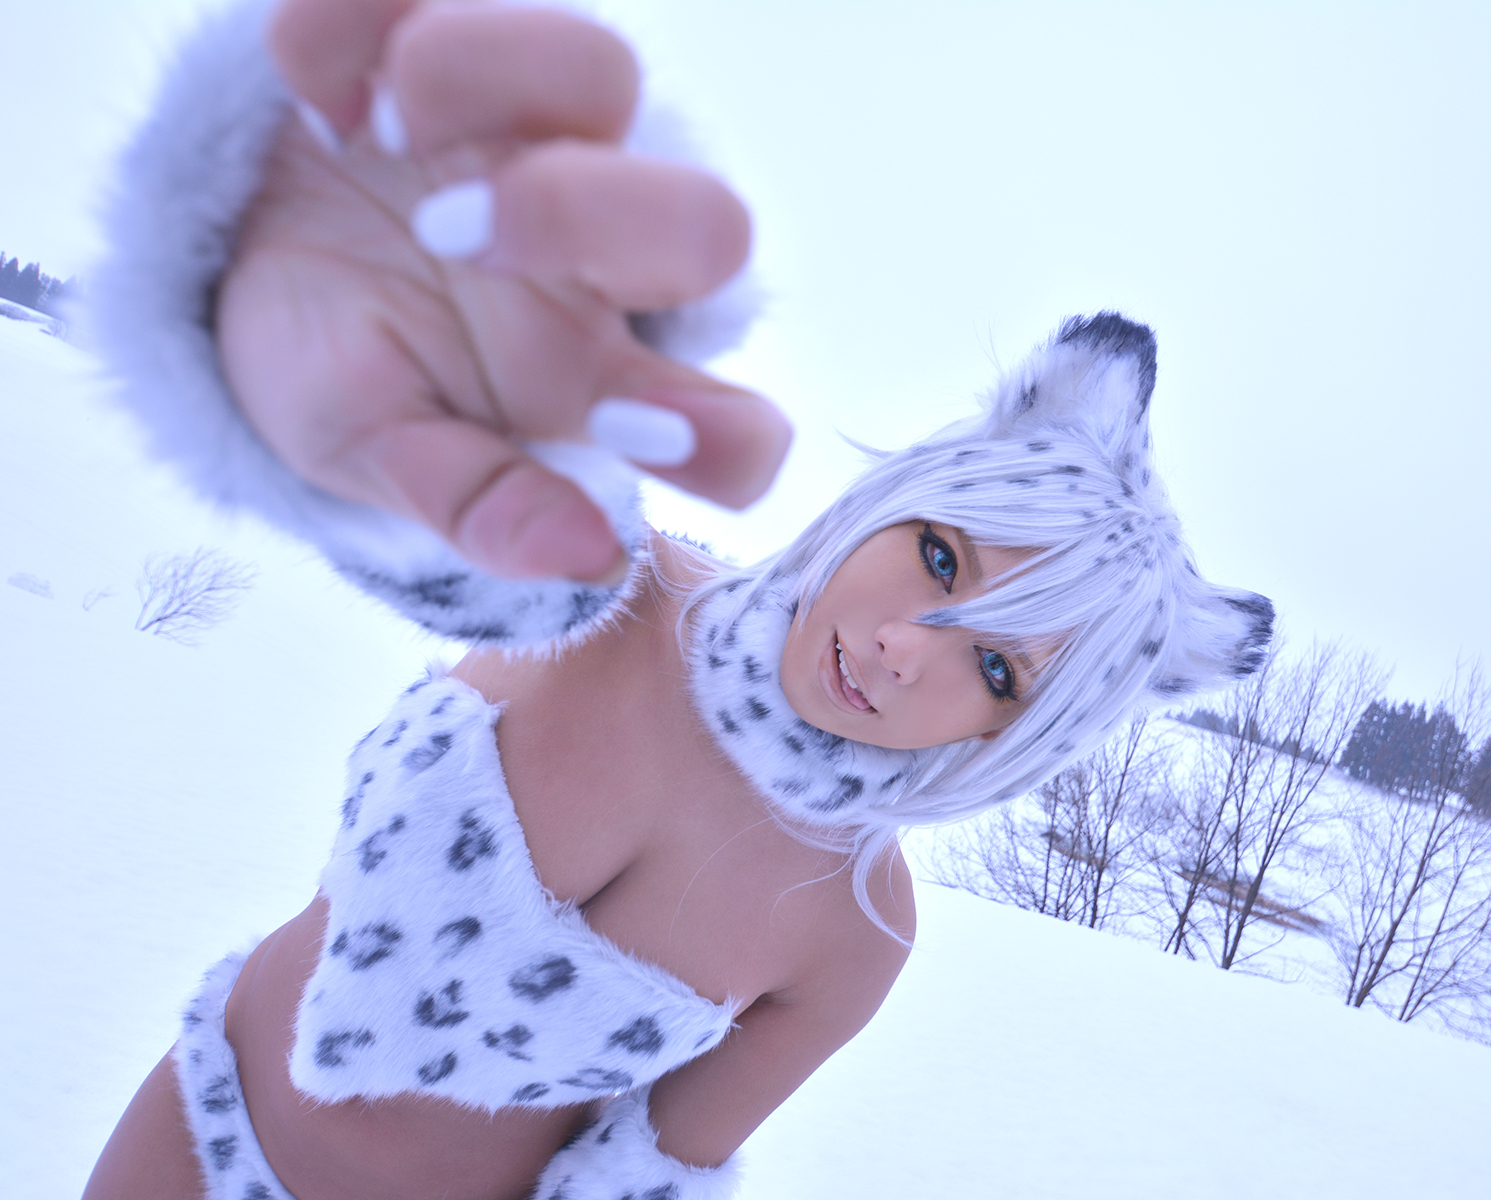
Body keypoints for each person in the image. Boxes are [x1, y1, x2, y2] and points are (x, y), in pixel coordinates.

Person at [79, 2, 1272, 1198]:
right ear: (891, 503)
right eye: (941, 558)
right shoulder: (612, 588)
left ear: (1025, 735)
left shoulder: (855, 933)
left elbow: (640, 1174)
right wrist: (323, 299)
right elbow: (405, 499)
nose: (906, 648)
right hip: (196, 1115)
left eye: (1000, 671)